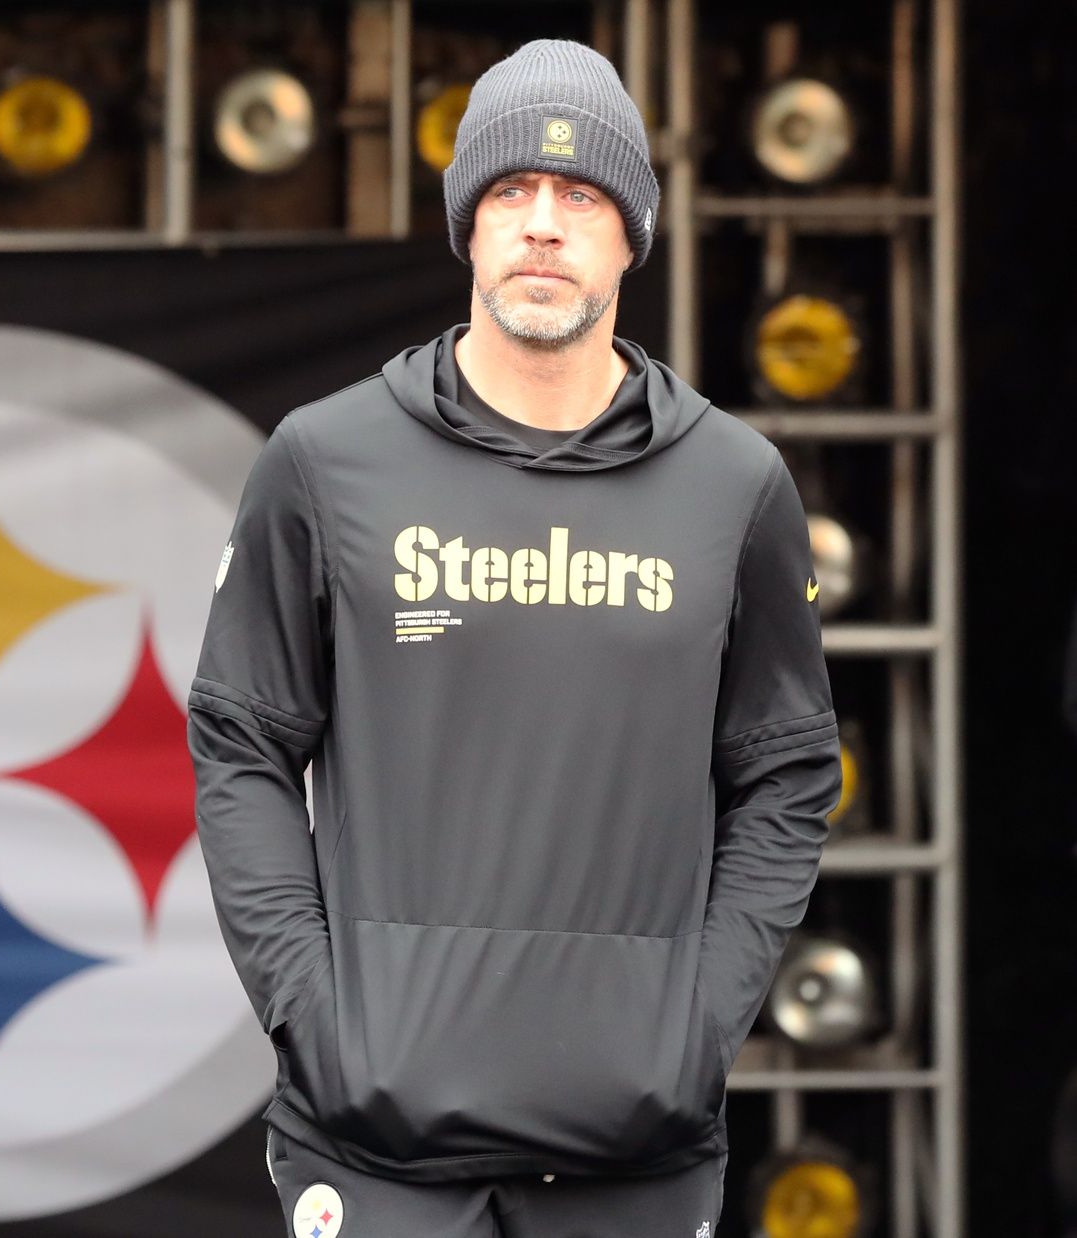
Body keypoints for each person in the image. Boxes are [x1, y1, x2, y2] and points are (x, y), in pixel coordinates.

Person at [187, 37, 840, 1238]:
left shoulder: (732, 486)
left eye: (580, 194)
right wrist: (313, 1016)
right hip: (372, 1141)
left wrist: (694, 1020)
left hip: (633, 1146)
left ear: (629, 232)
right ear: (468, 228)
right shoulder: (326, 464)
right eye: (509, 193)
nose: (542, 223)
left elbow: (787, 770)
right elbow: (239, 744)